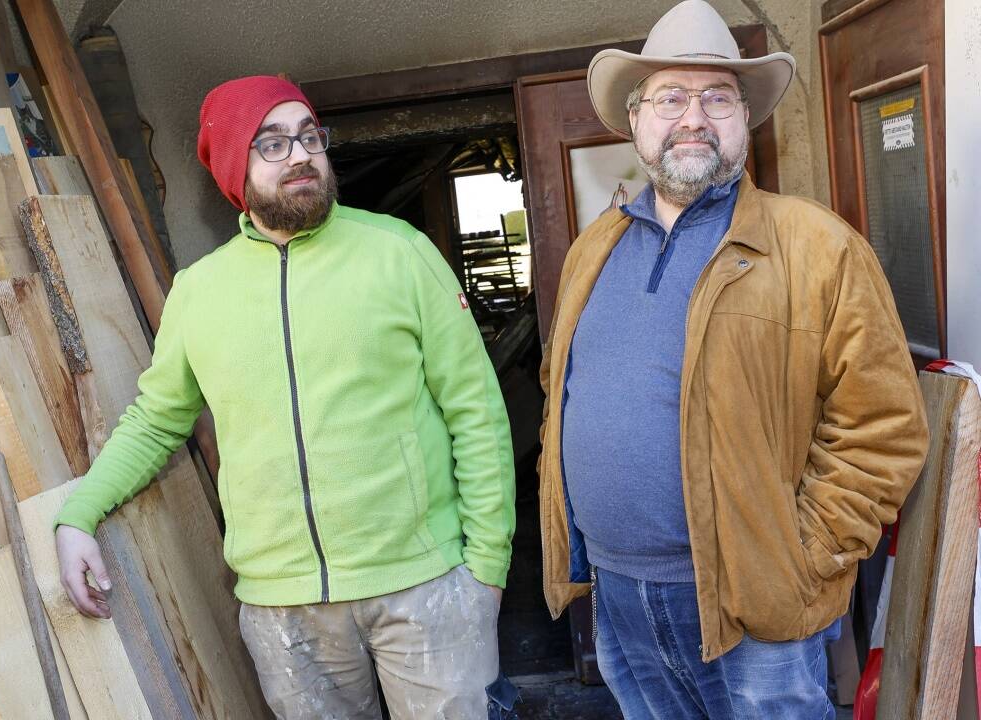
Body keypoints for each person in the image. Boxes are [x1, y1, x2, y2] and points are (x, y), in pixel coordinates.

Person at [54, 75, 518, 719]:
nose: (300, 154)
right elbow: (157, 421)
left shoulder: (400, 254)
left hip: (424, 585)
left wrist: (487, 568)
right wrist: (79, 514)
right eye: (271, 143)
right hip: (283, 609)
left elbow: (477, 411)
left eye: (309, 137)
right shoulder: (198, 292)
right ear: (231, 167)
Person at [538, 1, 930, 717]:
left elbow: (885, 429)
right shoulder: (592, 252)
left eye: (718, 97)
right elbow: (560, 392)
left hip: (757, 607)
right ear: (635, 120)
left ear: (744, 121)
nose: (694, 116)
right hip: (619, 594)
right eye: (672, 97)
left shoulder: (818, 247)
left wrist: (798, 560)